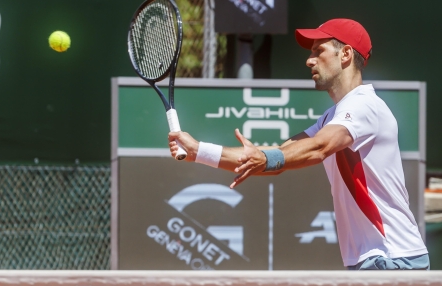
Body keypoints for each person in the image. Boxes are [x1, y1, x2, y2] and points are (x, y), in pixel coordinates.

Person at [168, 18, 429, 272]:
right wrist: (198, 151)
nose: (309, 59)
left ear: (346, 54)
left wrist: (267, 159)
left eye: (319, 51)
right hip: (374, 261)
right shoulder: (332, 116)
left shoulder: (364, 106)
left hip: (393, 258)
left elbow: (318, 148)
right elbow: (278, 157)